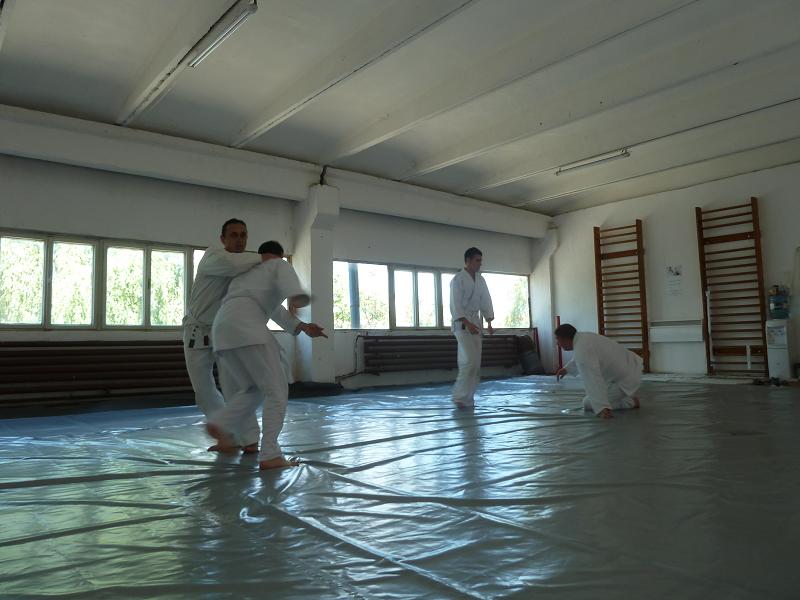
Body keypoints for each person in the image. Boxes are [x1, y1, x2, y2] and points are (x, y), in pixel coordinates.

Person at [183, 219, 324, 453]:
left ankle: (249, 439)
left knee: (236, 388)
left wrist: (300, 326)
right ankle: (227, 435)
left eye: (243, 235)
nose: (239, 240)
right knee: (204, 392)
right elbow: (230, 263)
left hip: (224, 334)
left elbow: (270, 306)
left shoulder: (251, 267)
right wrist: (266, 259)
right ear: (223, 239)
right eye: (234, 235)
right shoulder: (213, 256)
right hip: (196, 333)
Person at [208, 240, 312, 470]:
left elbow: (275, 311)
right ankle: (270, 454)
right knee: (277, 390)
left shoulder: (246, 275)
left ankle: (222, 423)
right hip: (248, 329)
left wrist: (301, 326)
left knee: (252, 389)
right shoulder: (277, 265)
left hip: (222, 330)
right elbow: (290, 288)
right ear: (278, 256)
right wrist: (297, 296)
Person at [554, 324, 642, 418]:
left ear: (565, 339)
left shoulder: (582, 349)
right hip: (631, 367)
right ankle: (625, 398)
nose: (557, 344)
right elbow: (583, 358)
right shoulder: (583, 337)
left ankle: (630, 402)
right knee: (594, 396)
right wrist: (567, 369)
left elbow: (593, 380)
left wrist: (602, 407)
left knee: (588, 403)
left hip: (625, 380)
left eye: (558, 340)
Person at [449, 247, 494, 409]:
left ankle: (468, 397)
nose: (480, 263)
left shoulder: (481, 280)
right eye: (477, 260)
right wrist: (467, 323)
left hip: (476, 323)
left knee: (475, 364)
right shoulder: (458, 279)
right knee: (469, 361)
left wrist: (489, 321)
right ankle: (459, 396)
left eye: (481, 260)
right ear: (468, 261)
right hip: (462, 325)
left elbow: (486, 300)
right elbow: (455, 304)